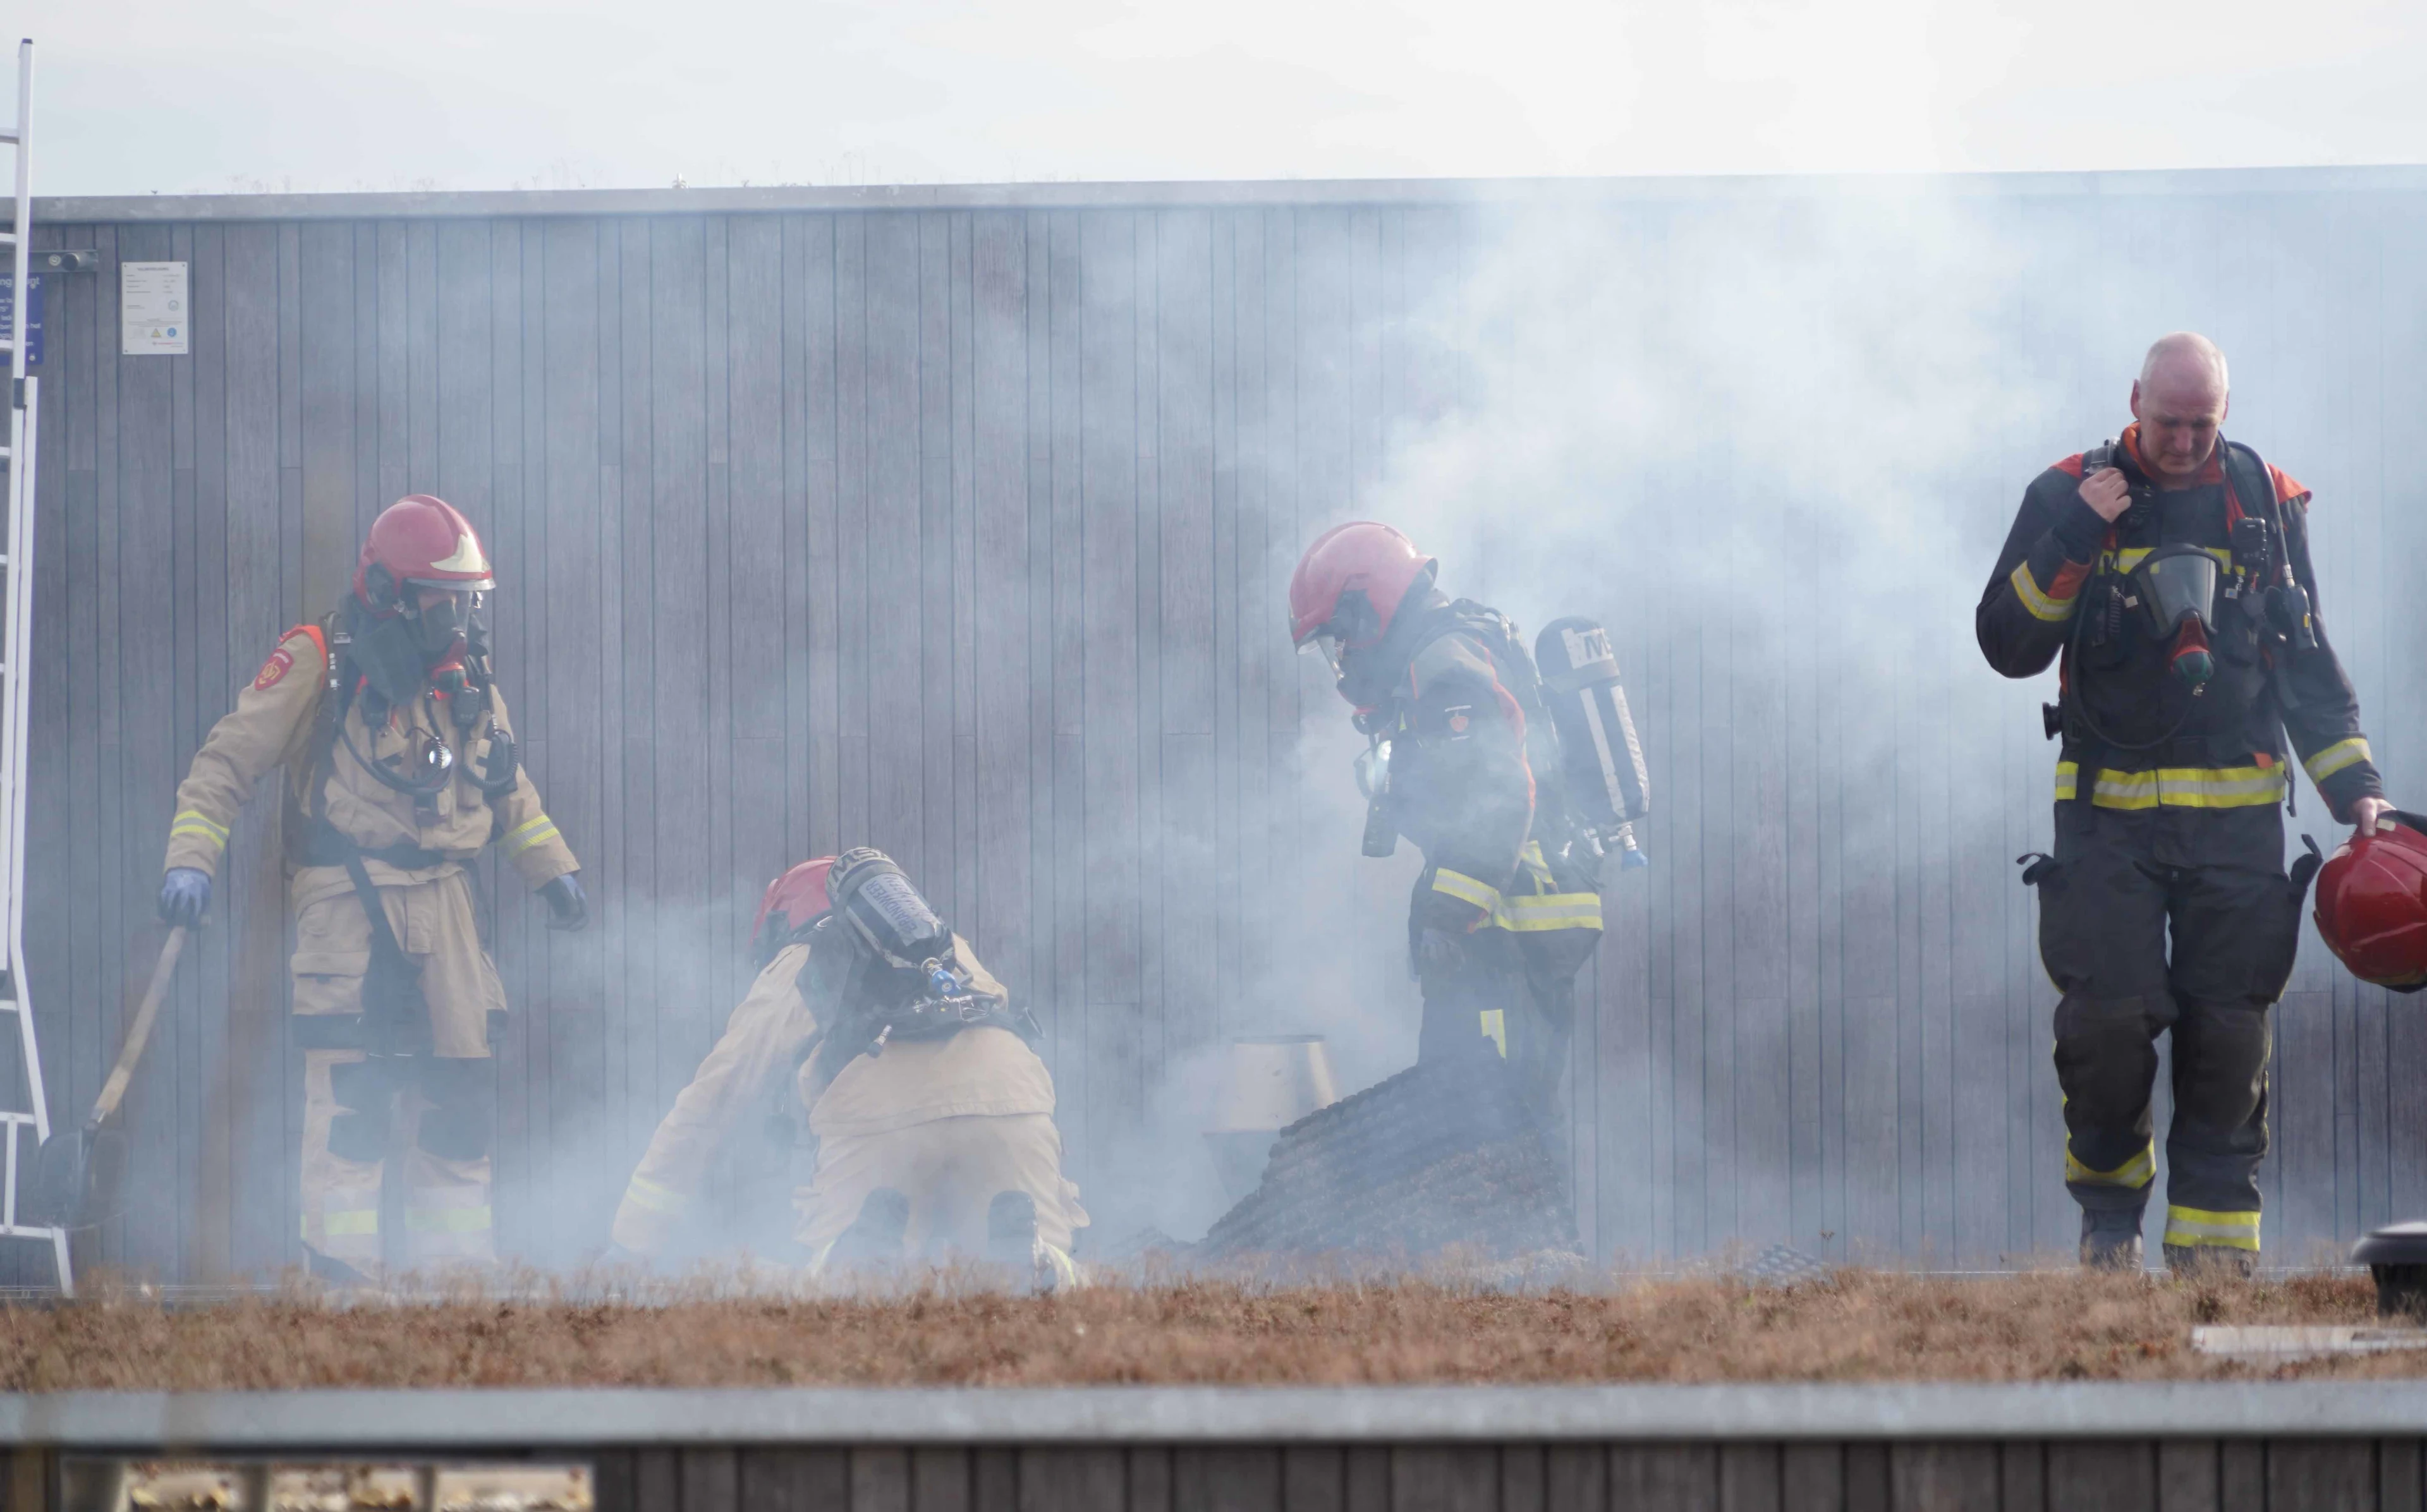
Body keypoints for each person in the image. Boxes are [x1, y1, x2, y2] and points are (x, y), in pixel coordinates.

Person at [1978, 333, 2392, 1274]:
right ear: (2135, 402)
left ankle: (2216, 1260)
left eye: (2202, 423)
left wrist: (2357, 791)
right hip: (2106, 823)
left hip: (2238, 825)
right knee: (2106, 1026)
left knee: (2229, 1036)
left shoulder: (2266, 501)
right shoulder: (2068, 493)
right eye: (2168, 421)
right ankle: (2110, 1229)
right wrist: (2076, 534)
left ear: (2225, 413)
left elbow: (2306, 663)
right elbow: (2007, 644)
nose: (2183, 440)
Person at [157, 494, 587, 1282]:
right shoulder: (321, 660)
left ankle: (458, 1299)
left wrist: (552, 868)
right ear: (390, 591)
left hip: (449, 907)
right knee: (353, 1110)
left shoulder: (466, 676)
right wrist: (192, 857)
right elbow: (226, 761)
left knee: (457, 1104)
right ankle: (344, 1299)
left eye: (468, 602)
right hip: (347, 903)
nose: (459, 619)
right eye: (443, 601)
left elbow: (505, 781)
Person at [609, 849, 1085, 1283]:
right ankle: (1039, 1262)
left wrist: (633, 1240)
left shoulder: (802, 959)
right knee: (1033, 1267)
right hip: (1013, 1105)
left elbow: (714, 1097)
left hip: (880, 1121)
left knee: (830, 1284)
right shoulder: (949, 946)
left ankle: (861, 1264)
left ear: (782, 922)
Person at [1286, 522, 1604, 1119]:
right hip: (1506, 921)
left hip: (1506, 923)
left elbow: (1501, 792)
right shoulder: (1442, 653)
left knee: (1494, 1117)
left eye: (1341, 639)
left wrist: (1448, 915)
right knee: (1487, 1115)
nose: (1343, 658)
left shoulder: (1442, 666)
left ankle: (1513, 1188)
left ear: (1369, 606)